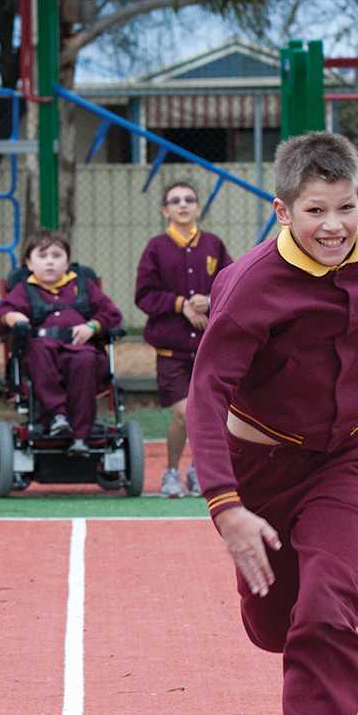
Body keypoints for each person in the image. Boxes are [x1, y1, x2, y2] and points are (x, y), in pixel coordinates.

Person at [185, 131, 358, 715]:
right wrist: (227, 508)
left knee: (329, 604)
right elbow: (203, 399)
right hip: (259, 467)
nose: (334, 226)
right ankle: (265, 591)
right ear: (284, 210)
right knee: (273, 626)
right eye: (316, 211)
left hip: (342, 459)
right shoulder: (251, 289)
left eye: (346, 208)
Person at [134, 181, 232, 497]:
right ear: (165, 210)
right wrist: (181, 305)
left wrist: (209, 300)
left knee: (208, 413)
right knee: (184, 413)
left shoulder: (214, 245)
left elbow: (231, 286)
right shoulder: (155, 247)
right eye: (175, 200)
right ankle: (172, 471)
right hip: (171, 349)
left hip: (208, 347)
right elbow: (144, 296)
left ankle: (196, 470)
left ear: (198, 207)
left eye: (189, 199)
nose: (183, 205)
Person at [0, 229, 123, 457]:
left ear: (67, 262)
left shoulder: (82, 285)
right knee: (37, 349)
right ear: (29, 263)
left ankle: (81, 435)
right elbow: (5, 314)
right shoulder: (24, 289)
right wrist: (15, 318)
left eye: (56, 256)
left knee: (85, 359)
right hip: (43, 350)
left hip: (80, 347)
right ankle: (58, 415)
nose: (50, 263)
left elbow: (111, 313)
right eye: (42, 256)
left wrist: (92, 326)